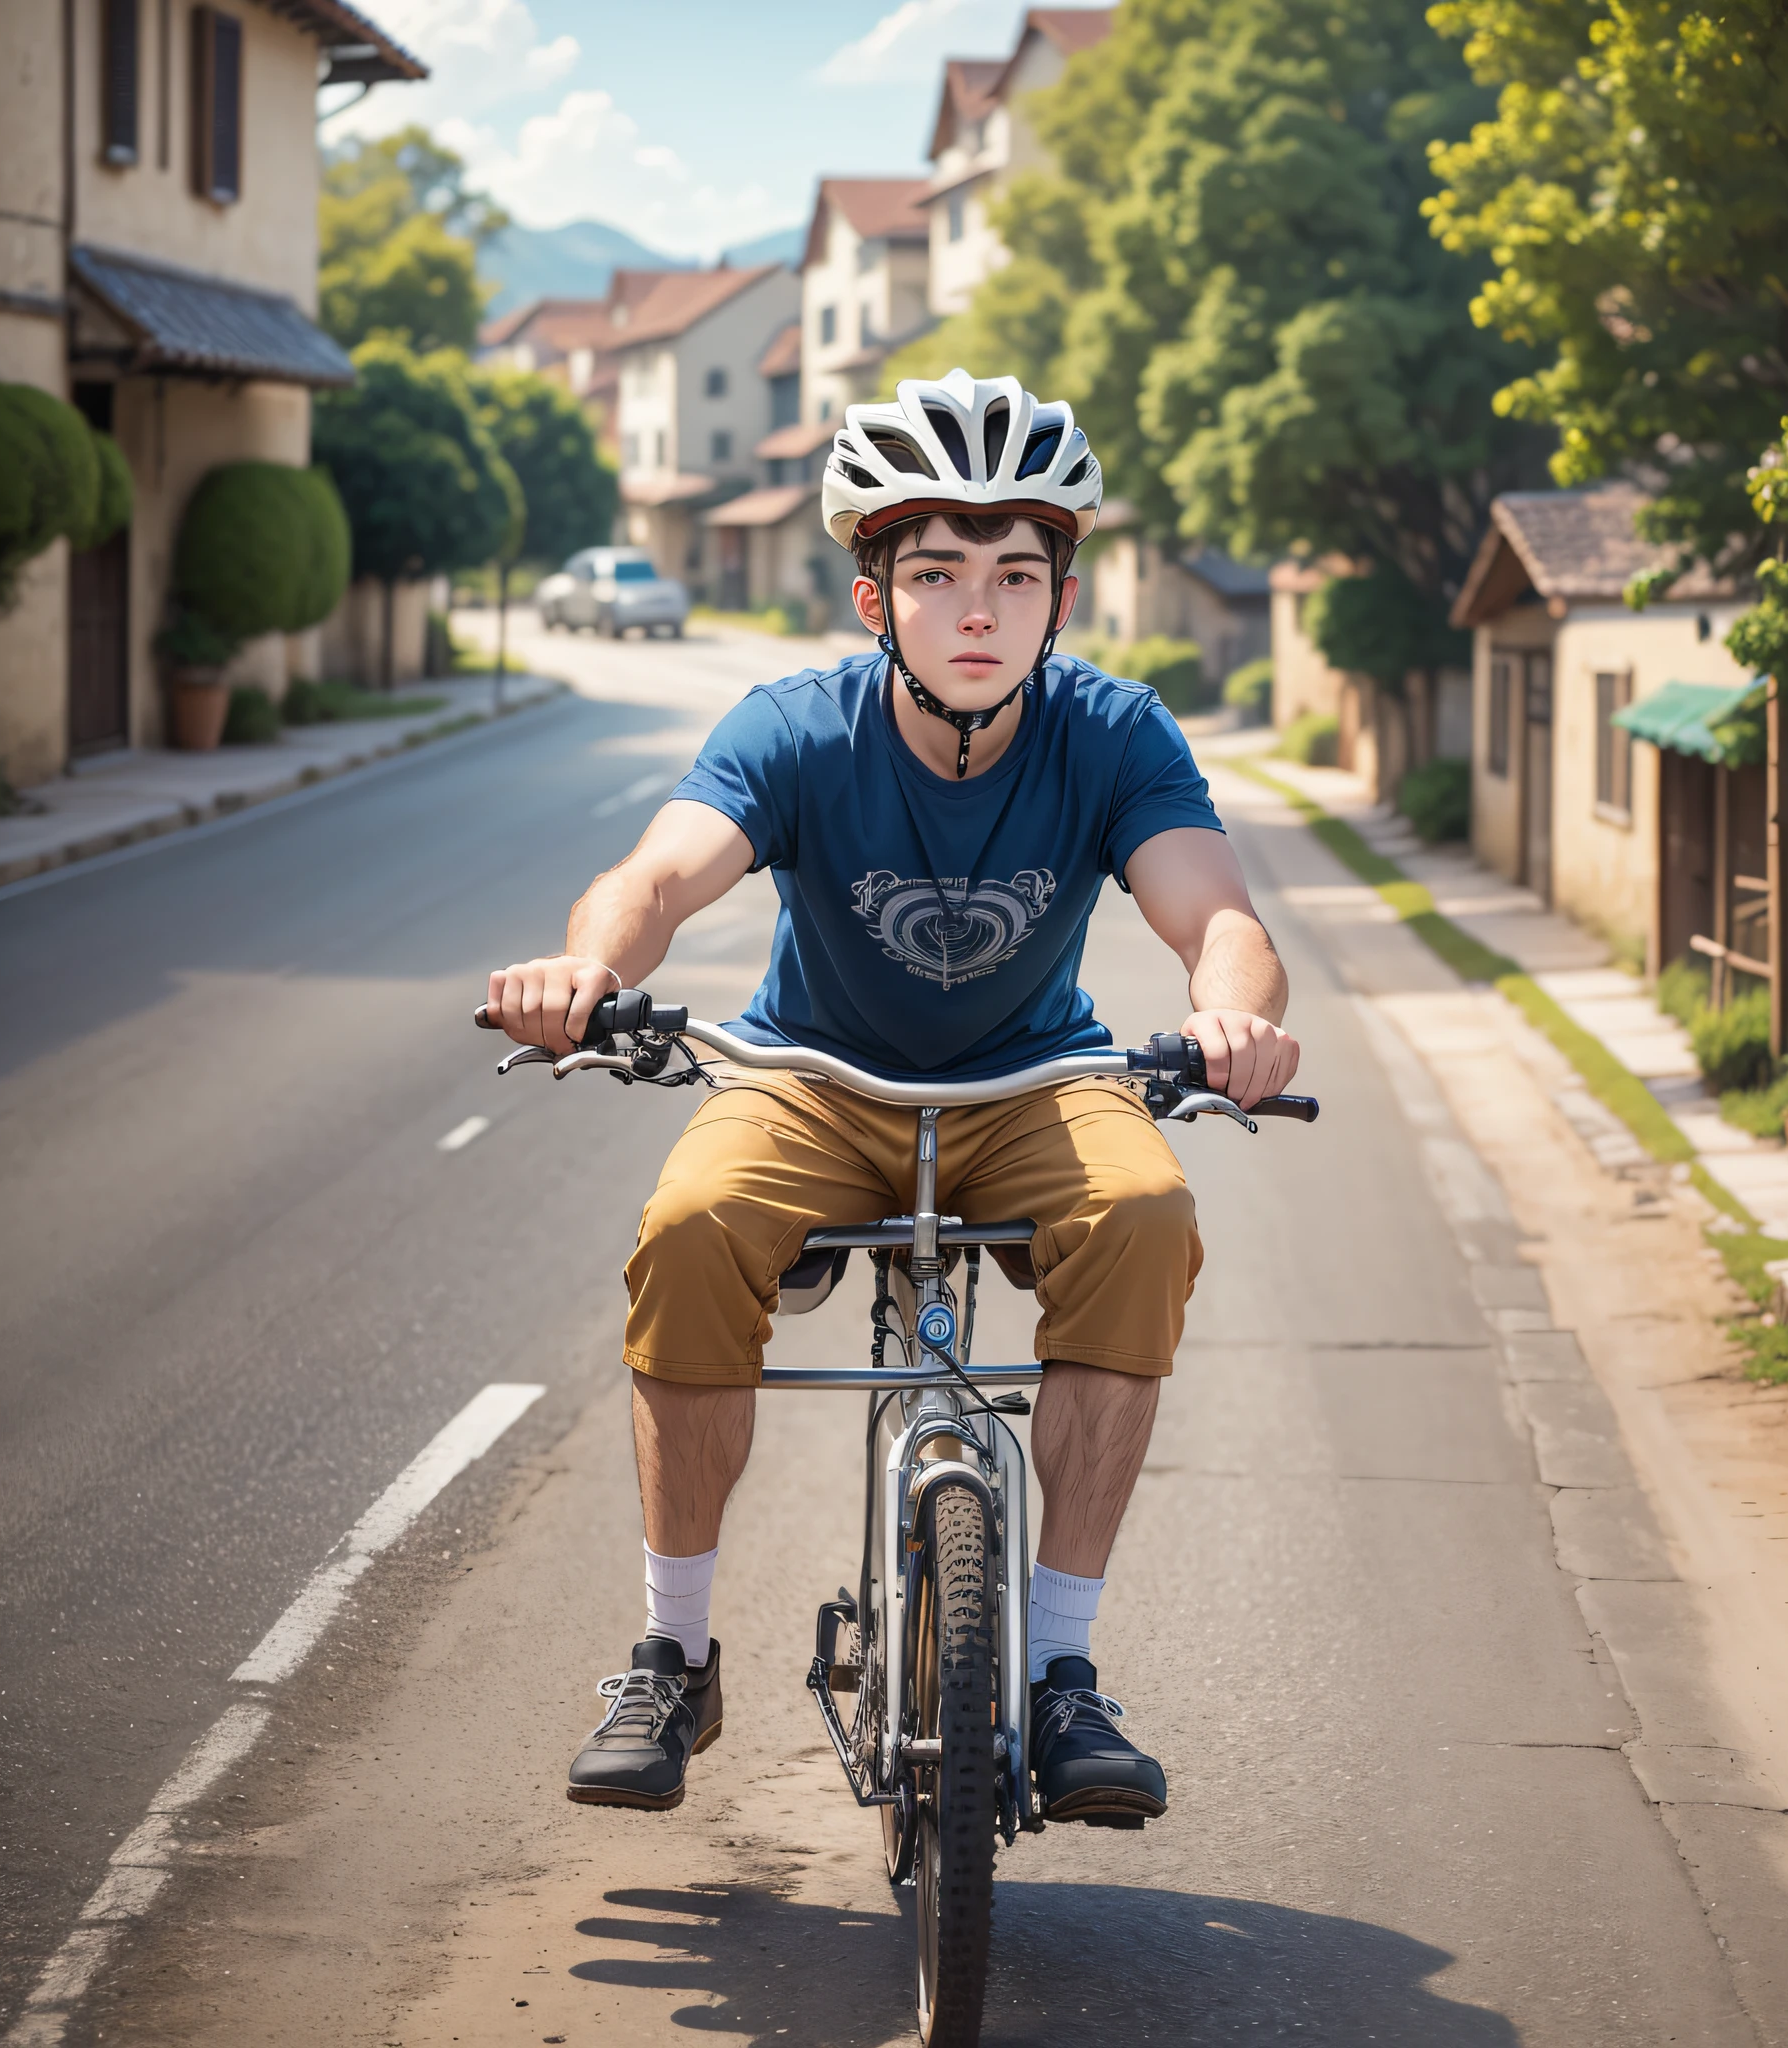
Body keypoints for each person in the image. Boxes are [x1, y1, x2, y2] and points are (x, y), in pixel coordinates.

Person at [487, 368, 1300, 1825]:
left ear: (1063, 596)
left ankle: (1061, 1676)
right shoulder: (798, 729)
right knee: (688, 1225)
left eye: (1015, 573)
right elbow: (662, 875)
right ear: (877, 601)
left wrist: (1230, 1011)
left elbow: (1216, 916)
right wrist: (582, 971)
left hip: (1035, 1082)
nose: (978, 611)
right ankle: (672, 1653)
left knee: (1144, 1210)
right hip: (811, 1077)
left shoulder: (1112, 733)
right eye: (936, 574)